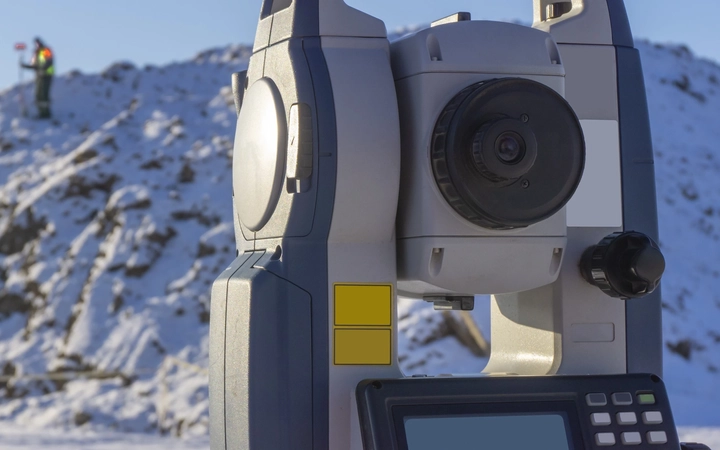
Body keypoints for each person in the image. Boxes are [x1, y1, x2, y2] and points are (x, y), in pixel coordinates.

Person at [21, 37, 54, 119]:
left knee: (44, 95)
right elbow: (34, 66)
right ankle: (41, 112)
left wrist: (43, 69)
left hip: (46, 76)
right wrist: (24, 66)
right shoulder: (36, 54)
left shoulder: (46, 51)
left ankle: (45, 113)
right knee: (38, 95)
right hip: (39, 77)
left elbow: (49, 62)